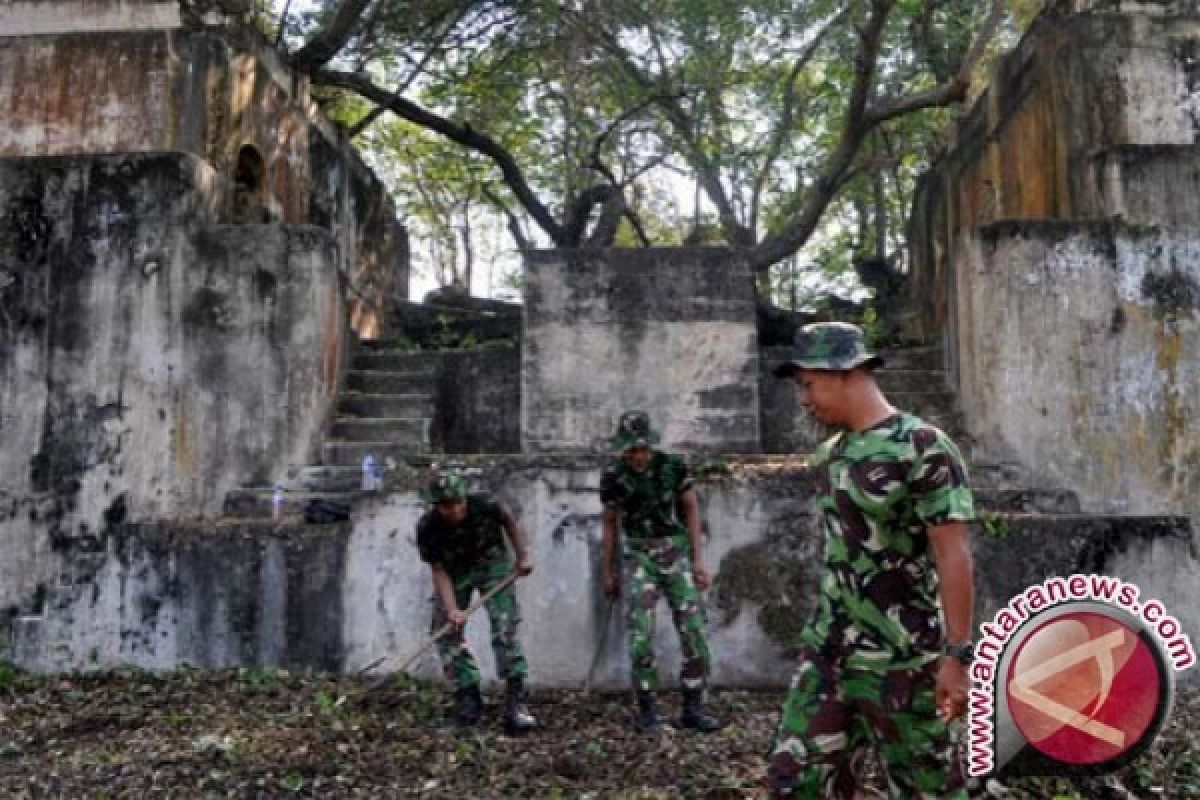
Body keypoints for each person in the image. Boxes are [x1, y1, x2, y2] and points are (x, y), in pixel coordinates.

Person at [766, 322, 976, 798]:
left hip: (903, 660)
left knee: (928, 789)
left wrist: (958, 656)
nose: (804, 398)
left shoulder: (922, 447)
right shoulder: (829, 456)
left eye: (809, 384)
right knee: (793, 781)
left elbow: (953, 552)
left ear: (845, 372)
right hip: (829, 654)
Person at [599, 411, 723, 733]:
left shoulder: (673, 466)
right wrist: (608, 572)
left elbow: (691, 509)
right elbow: (610, 524)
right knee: (640, 634)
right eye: (630, 450)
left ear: (651, 446)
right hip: (639, 554)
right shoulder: (613, 475)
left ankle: (693, 707)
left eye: (642, 449)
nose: (637, 456)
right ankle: (648, 711)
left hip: (674, 551)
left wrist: (697, 560)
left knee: (693, 629)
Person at [415, 468, 537, 734]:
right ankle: (468, 700)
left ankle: (516, 703)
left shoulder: (485, 505)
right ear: (437, 506)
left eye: (459, 502)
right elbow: (439, 570)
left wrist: (523, 555)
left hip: (492, 564)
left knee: (504, 627)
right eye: (447, 505)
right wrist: (452, 609)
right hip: (455, 570)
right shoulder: (428, 528)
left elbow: (509, 521)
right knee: (444, 630)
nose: (455, 510)